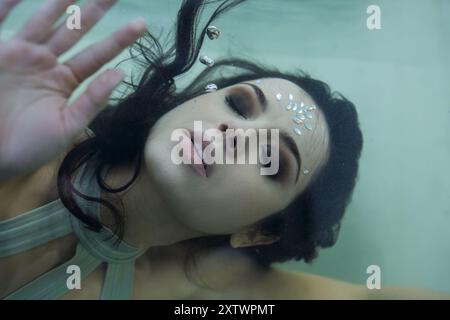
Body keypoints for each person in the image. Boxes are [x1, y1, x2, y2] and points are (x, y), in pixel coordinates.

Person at [0, 0, 448, 299]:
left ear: (257, 233)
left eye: (274, 164)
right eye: (237, 105)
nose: (235, 136)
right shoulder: (31, 154)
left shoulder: (188, 282)